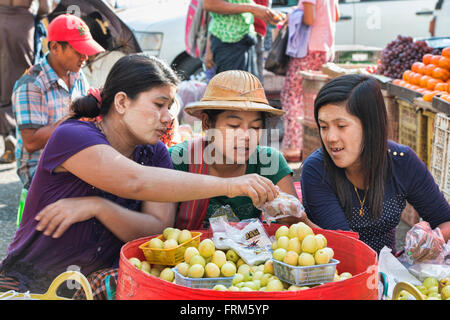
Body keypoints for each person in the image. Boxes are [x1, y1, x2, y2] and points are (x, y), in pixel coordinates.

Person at [0, 55, 278, 297]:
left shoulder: (155, 152)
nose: (169, 117)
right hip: (31, 285)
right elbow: (135, 181)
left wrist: (98, 207)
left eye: (170, 106)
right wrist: (230, 185)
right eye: (159, 104)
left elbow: (155, 228)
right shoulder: (73, 136)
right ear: (121, 102)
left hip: (98, 282)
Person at [300, 74, 450, 257]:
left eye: (341, 126)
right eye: (324, 126)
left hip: (391, 275)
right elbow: (345, 246)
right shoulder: (317, 170)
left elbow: (445, 220)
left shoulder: (401, 161)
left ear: (370, 125)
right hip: (342, 274)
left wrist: (434, 238)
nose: (330, 137)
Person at [170, 70, 319, 229]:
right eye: (234, 126)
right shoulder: (179, 160)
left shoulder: (269, 163)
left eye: (255, 127)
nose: (246, 136)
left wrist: (299, 221)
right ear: (207, 123)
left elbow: (299, 229)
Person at [11, 13, 105, 189]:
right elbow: (31, 143)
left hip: (71, 153)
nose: (85, 57)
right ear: (55, 47)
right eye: (78, 51)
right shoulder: (32, 84)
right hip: (39, 165)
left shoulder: (77, 74)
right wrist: (76, 116)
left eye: (86, 51)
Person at [280, 0, 339, 162]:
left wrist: (293, 14)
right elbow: (336, 16)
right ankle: (311, 144)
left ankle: (294, 146)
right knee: (314, 97)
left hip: (309, 48)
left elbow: (309, 19)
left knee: (291, 95)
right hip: (325, 48)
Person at [0, 0, 54, 163]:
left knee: (2, 82)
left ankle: (7, 134)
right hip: (23, 28)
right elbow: (45, 8)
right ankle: (21, 137)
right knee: (23, 80)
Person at [203, 0, 282, 80]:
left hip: (246, 39)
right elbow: (210, 4)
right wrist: (253, 9)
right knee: (235, 89)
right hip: (229, 42)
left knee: (250, 88)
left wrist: (265, 13)